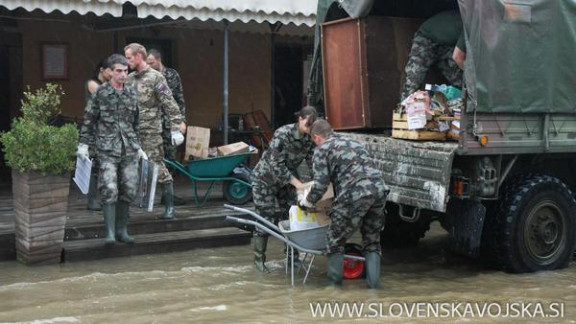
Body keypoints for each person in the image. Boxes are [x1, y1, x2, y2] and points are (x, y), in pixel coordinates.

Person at [299, 119, 388, 288]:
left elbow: (320, 185)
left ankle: (334, 290)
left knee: (334, 240)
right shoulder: (353, 142)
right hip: (379, 190)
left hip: (354, 194)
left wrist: (307, 201)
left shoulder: (321, 150)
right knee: (372, 241)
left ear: (316, 137)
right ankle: (375, 288)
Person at [77, 54, 148, 244]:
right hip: (107, 148)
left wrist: (139, 146)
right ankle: (109, 233)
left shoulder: (132, 93)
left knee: (129, 188)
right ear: (110, 72)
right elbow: (89, 119)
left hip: (129, 149)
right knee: (109, 188)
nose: (123, 74)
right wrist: (83, 144)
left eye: (126, 71)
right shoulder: (101, 93)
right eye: (119, 71)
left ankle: (121, 231)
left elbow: (136, 122)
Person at [250, 106, 318, 273]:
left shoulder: (309, 139)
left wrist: (317, 183)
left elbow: (311, 162)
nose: (309, 129)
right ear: (300, 119)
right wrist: (298, 184)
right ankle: (259, 261)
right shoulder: (283, 134)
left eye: (313, 126)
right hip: (265, 179)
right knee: (264, 218)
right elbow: (276, 165)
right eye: (307, 124)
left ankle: (292, 258)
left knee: (292, 215)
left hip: (287, 182)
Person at [124, 43, 186, 220]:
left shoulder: (156, 78)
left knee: (156, 167)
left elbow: (170, 103)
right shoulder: (129, 79)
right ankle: (125, 209)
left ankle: (169, 207)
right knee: (128, 167)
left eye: (129, 58)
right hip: (132, 133)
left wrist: (176, 127)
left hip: (150, 132)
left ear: (138, 57)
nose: (127, 62)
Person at [147, 49, 187, 205]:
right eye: (147, 63)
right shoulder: (146, 77)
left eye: (151, 62)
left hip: (170, 125)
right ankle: (148, 195)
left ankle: (167, 196)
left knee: (170, 159)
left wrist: (181, 120)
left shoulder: (171, 75)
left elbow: (179, 99)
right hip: (152, 125)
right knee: (153, 159)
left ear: (159, 59)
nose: (149, 65)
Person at [400, 10, 467, 101]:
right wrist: (472, 75)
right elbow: (458, 57)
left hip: (447, 45)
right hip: (427, 37)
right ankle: (403, 108)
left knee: (459, 81)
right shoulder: (471, 26)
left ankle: (461, 107)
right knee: (414, 77)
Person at [84, 60, 112, 211]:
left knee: (103, 165)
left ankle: (100, 198)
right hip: (94, 130)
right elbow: (106, 98)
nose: (112, 74)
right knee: (94, 165)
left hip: (105, 131)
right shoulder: (92, 83)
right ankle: (92, 200)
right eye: (110, 70)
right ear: (102, 70)